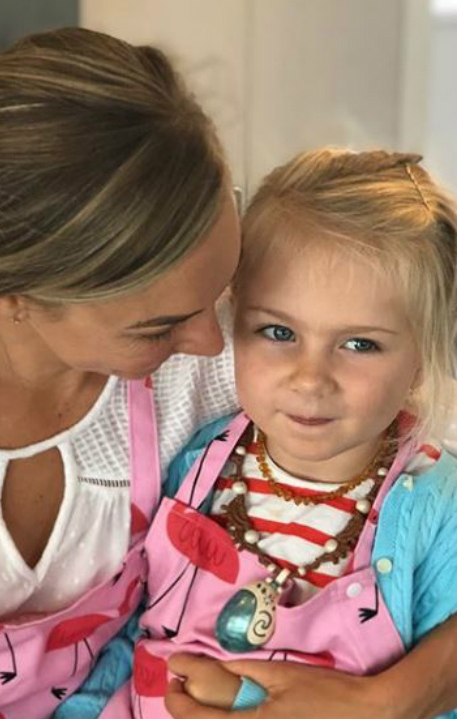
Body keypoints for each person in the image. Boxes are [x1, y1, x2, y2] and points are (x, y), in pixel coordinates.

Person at [0, 25, 455, 719]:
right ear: (13, 297)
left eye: (223, 293)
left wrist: (387, 698)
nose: (214, 342)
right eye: (159, 325)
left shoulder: (270, 363)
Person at [95, 148, 457, 719]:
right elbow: (126, 629)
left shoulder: (437, 506)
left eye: (360, 344)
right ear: (233, 319)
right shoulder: (194, 462)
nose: (311, 379)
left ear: (422, 358)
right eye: (278, 331)